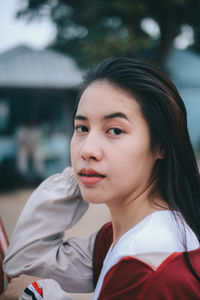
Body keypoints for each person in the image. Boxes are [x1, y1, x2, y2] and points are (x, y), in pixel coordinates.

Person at [1, 57, 200, 300]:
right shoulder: (119, 238)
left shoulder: (150, 266)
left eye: (115, 130)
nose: (87, 150)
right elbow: (23, 264)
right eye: (82, 128)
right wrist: (78, 175)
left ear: (161, 145)